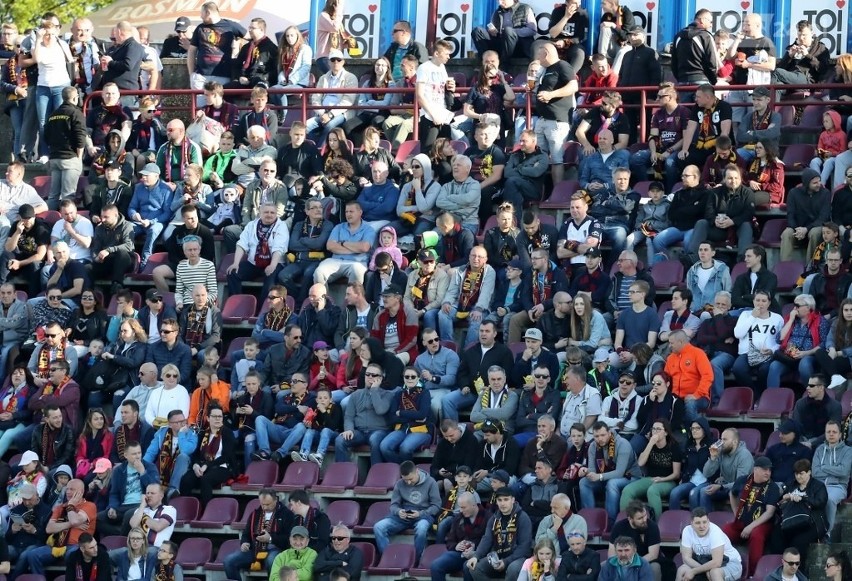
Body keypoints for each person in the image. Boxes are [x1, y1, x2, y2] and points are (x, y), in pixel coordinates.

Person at [374, 461, 440, 566]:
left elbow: (436, 506)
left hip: (423, 515)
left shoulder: (431, 482)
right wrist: (399, 511)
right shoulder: (399, 484)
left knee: (422, 528)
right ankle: (388, 558)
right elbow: (393, 505)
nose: (408, 482)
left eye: (410, 479)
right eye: (405, 480)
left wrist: (420, 514)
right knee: (378, 527)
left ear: (417, 471)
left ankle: (416, 560)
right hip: (403, 515)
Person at [26, 478, 97, 575]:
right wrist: (70, 524)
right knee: (32, 555)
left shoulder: (89, 506)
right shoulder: (60, 508)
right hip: (57, 544)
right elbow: (49, 529)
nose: (68, 492)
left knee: (72, 554)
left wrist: (71, 505)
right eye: (67, 489)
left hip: (77, 545)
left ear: (81, 492)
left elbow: (74, 520)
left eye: (72, 489)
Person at [465, 487, 532, 581]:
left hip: (518, 558)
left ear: (513, 500)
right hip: (498, 557)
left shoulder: (523, 517)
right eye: (499, 500)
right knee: (474, 568)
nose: (502, 503)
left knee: (513, 568)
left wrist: (506, 561)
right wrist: (476, 556)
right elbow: (486, 539)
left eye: (506, 499)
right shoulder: (494, 518)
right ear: (496, 501)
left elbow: (524, 547)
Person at [533, 41, 577, 185]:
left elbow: (573, 86)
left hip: (557, 121)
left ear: (546, 53)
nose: (537, 58)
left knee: (556, 160)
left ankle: (557, 193)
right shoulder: (544, 69)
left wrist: (551, 95)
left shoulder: (563, 65)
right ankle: (540, 192)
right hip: (542, 119)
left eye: (539, 54)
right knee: (539, 157)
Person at [770, 459, 826, 563]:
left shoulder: (818, 486)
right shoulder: (791, 485)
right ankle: (777, 568)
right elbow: (779, 505)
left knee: (798, 542)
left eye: (801, 473)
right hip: (791, 519)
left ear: (809, 472)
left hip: (811, 522)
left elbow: (820, 503)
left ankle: (797, 571)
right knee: (776, 537)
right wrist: (784, 498)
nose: (798, 476)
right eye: (796, 474)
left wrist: (802, 498)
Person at [43, 86, 85, 210]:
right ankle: (67, 225)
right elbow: (80, 137)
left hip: (55, 158)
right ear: (74, 98)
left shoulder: (53, 115)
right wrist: (79, 157)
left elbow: (46, 136)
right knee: (68, 196)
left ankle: (49, 222)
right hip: (70, 158)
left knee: (53, 196)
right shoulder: (76, 113)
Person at [693, 428, 755, 511]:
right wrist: (713, 458)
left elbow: (740, 483)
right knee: (703, 492)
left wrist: (720, 486)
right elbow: (706, 473)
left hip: (741, 489)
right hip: (725, 486)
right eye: (721, 439)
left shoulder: (744, 455)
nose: (721, 442)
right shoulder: (722, 451)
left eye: (725, 439)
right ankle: (706, 521)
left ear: (735, 442)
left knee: (732, 493)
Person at [676, 508, 743, 581]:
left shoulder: (715, 531)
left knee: (714, 572)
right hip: (705, 561)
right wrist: (704, 570)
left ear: (708, 521)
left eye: (704, 522)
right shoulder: (687, 530)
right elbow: (686, 558)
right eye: (698, 523)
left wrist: (694, 571)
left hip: (730, 562)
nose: (702, 526)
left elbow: (717, 562)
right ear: (691, 523)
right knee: (681, 570)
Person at [143, 410, 197, 500]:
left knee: (182, 457)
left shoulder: (191, 434)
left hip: (184, 469)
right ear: (170, 424)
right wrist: (142, 465)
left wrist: (181, 434)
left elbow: (185, 450)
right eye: (178, 422)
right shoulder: (161, 433)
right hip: (164, 469)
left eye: (183, 421)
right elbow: (150, 453)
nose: (182, 424)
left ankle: (172, 491)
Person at [670, 10, 719, 91]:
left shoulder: (678, 36)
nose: (711, 25)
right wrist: (713, 81)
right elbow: (712, 62)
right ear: (702, 20)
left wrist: (680, 78)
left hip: (683, 81)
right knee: (704, 104)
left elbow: (674, 63)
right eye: (711, 22)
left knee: (684, 104)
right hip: (702, 81)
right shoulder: (706, 36)